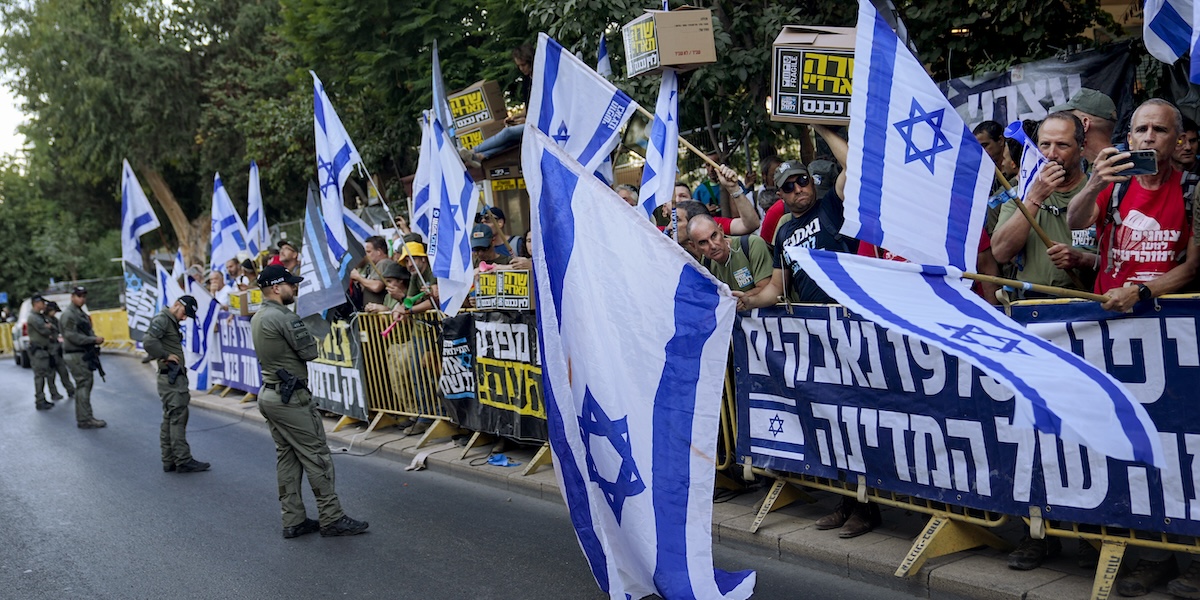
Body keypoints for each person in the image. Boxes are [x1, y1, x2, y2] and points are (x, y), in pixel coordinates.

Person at [250, 265, 369, 538]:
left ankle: (293, 520)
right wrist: (312, 323)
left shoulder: (259, 316)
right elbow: (310, 351)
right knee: (317, 456)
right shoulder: (284, 317)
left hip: (271, 394)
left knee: (288, 458)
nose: (295, 289)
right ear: (277, 288)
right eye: (291, 284)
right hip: (291, 398)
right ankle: (332, 517)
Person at [1065, 98, 1198, 314]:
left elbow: (1193, 267)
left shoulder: (1192, 189)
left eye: (1160, 130)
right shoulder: (1114, 185)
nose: (1149, 138)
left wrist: (1138, 292)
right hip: (1110, 310)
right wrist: (1094, 184)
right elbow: (1075, 222)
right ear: (1130, 139)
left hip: (1168, 315)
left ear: (1179, 140)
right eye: (1141, 130)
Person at [993, 111, 1097, 293]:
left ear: (1082, 146)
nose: (1051, 154)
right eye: (1045, 145)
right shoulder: (1022, 193)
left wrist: (1081, 259)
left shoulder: (1099, 191)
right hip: (1032, 306)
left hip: (1088, 303)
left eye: (1062, 145)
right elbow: (1001, 252)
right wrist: (1035, 197)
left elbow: (1121, 261)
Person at [144, 296, 210, 474]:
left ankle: (169, 459)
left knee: (170, 418)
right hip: (172, 380)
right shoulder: (163, 319)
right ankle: (183, 459)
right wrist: (165, 355)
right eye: (184, 313)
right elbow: (149, 341)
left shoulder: (168, 320)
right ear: (177, 305)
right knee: (178, 418)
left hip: (170, 378)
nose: (184, 318)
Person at [461, 45, 535, 164]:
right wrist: (515, 117)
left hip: (539, 125)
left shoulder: (540, 79)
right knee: (511, 140)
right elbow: (529, 108)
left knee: (508, 133)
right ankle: (479, 156)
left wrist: (526, 120)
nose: (521, 69)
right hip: (531, 123)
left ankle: (472, 151)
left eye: (523, 65)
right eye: (519, 66)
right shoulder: (527, 80)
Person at [687, 214, 772, 296]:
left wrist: (735, 300)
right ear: (694, 246)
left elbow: (766, 288)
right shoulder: (705, 263)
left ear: (721, 230)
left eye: (714, 236)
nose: (712, 246)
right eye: (703, 242)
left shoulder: (751, 245)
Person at [60, 286, 106, 429]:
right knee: (83, 384)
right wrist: (92, 340)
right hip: (75, 353)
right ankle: (85, 419)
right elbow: (71, 336)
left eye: (84, 296)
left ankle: (85, 417)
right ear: (72, 297)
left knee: (85, 384)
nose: (82, 299)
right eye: (79, 296)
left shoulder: (79, 313)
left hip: (81, 353)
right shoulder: (69, 314)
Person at [1050, 87, 1117, 165]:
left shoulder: (1121, 171)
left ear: (1084, 124)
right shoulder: (1081, 165)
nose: (1064, 126)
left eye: (1069, 120)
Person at [349, 236, 400, 307]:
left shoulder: (384, 263)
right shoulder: (373, 266)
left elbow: (377, 286)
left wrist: (358, 277)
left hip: (380, 311)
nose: (366, 255)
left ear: (379, 252)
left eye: (369, 252)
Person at [26, 294, 56, 411]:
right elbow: (44, 330)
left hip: (43, 350)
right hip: (38, 351)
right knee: (39, 376)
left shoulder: (39, 316)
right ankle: (39, 400)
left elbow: (51, 327)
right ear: (37, 303)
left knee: (44, 375)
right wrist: (48, 327)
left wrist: (49, 326)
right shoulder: (33, 317)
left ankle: (42, 399)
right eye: (42, 303)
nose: (44, 305)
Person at [44, 301, 75, 404]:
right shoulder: (43, 320)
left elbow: (60, 331)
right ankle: (54, 393)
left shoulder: (54, 320)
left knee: (63, 372)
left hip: (57, 349)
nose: (54, 313)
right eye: (53, 311)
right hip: (49, 351)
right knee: (51, 375)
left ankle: (70, 390)